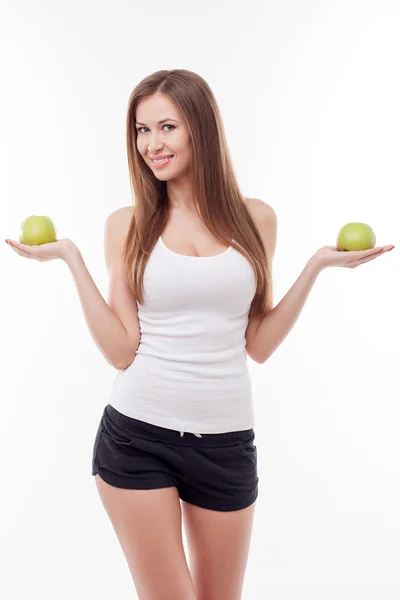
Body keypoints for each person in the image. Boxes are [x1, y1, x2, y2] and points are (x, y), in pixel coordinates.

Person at [6, 69, 394, 600]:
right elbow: (122, 351)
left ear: (201, 129)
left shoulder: (256, 219)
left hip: (227, 442)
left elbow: (257, 344)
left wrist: (317, 268)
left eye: (167, 126)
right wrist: (72, 260)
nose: (152, 144)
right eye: (141, 130)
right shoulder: (129, 223)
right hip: (137, 436)